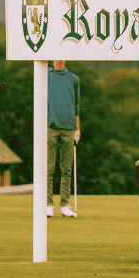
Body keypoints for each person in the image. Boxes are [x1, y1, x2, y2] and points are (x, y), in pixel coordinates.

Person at [47, 59, 80, 217]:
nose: (59, 60)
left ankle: (64, 205)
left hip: (69, 128)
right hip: (50, 126)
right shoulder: (45, 74)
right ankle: (48, 204)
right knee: (49, 168)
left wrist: (77, 128)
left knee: (66, 169)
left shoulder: (73, 79)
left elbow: (77, 105)